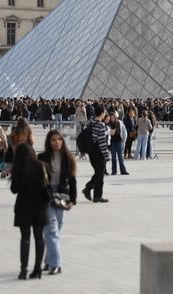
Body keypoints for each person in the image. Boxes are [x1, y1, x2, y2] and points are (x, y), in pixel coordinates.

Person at [38, 130, 77, 275]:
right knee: (51, 230)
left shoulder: (67, 158)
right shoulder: (42, 158)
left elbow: (72, 180)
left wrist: (73, 200)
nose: (57, 142)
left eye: (59, 139)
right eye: (54, 140)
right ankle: (56, 264)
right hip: (47, 196)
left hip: (62, 196)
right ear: (49, 142)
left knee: (57, 229)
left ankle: (48, 260)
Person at [10, 141, 47, 280]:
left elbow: (14, 190)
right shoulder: (42, 166)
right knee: (39, 237)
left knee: (25, 238)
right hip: (40, 207)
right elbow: (46, 185)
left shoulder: (19, 169)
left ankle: (24, 269)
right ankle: (38, 268)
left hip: (23, 207)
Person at [82, 106, 110, 203]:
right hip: (98, 152)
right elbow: (102, 142)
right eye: (104, 112)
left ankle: (89, 189)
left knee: (99, 173)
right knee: (100, 174)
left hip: (91, 152)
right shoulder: (101, 125)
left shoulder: (91, 123)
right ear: (102, 113)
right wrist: (106, 156)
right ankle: (96, 195)